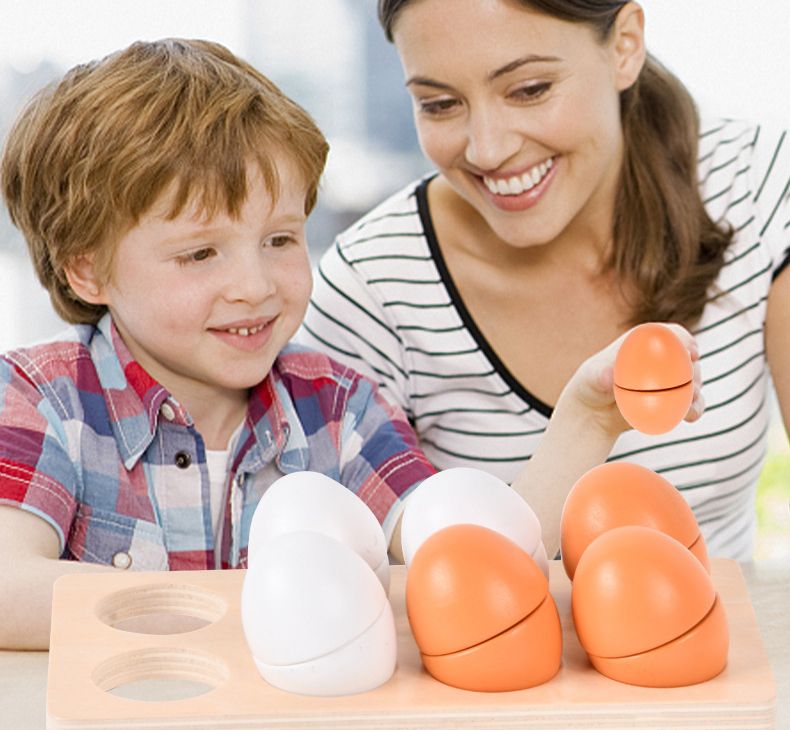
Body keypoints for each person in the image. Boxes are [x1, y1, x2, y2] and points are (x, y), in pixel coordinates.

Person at [0, 36, 701, 650]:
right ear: (86, 267)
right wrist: (258, 606)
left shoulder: (337, 408)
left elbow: (475, 554)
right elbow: (8, 589)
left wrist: (587, 416)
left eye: (278, 240)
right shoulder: (43, 399)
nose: (255, 285)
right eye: (200, 255)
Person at [300, 0, 789, 563]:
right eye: (439, 104)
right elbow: (371, 589)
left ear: (625, 44)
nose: (487, 149)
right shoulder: (369, 289)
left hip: (727, 647)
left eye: (529, 89)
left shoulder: (758, 186)